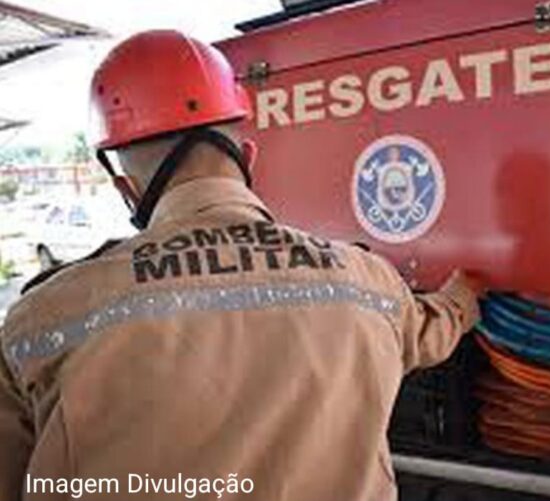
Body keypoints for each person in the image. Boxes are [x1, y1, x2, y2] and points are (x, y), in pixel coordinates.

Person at [0, 30, 481, 501]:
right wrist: (465, 295)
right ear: (248, 156)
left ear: (127, 189)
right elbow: (433, 327)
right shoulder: (368, 283)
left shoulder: (41, 322)